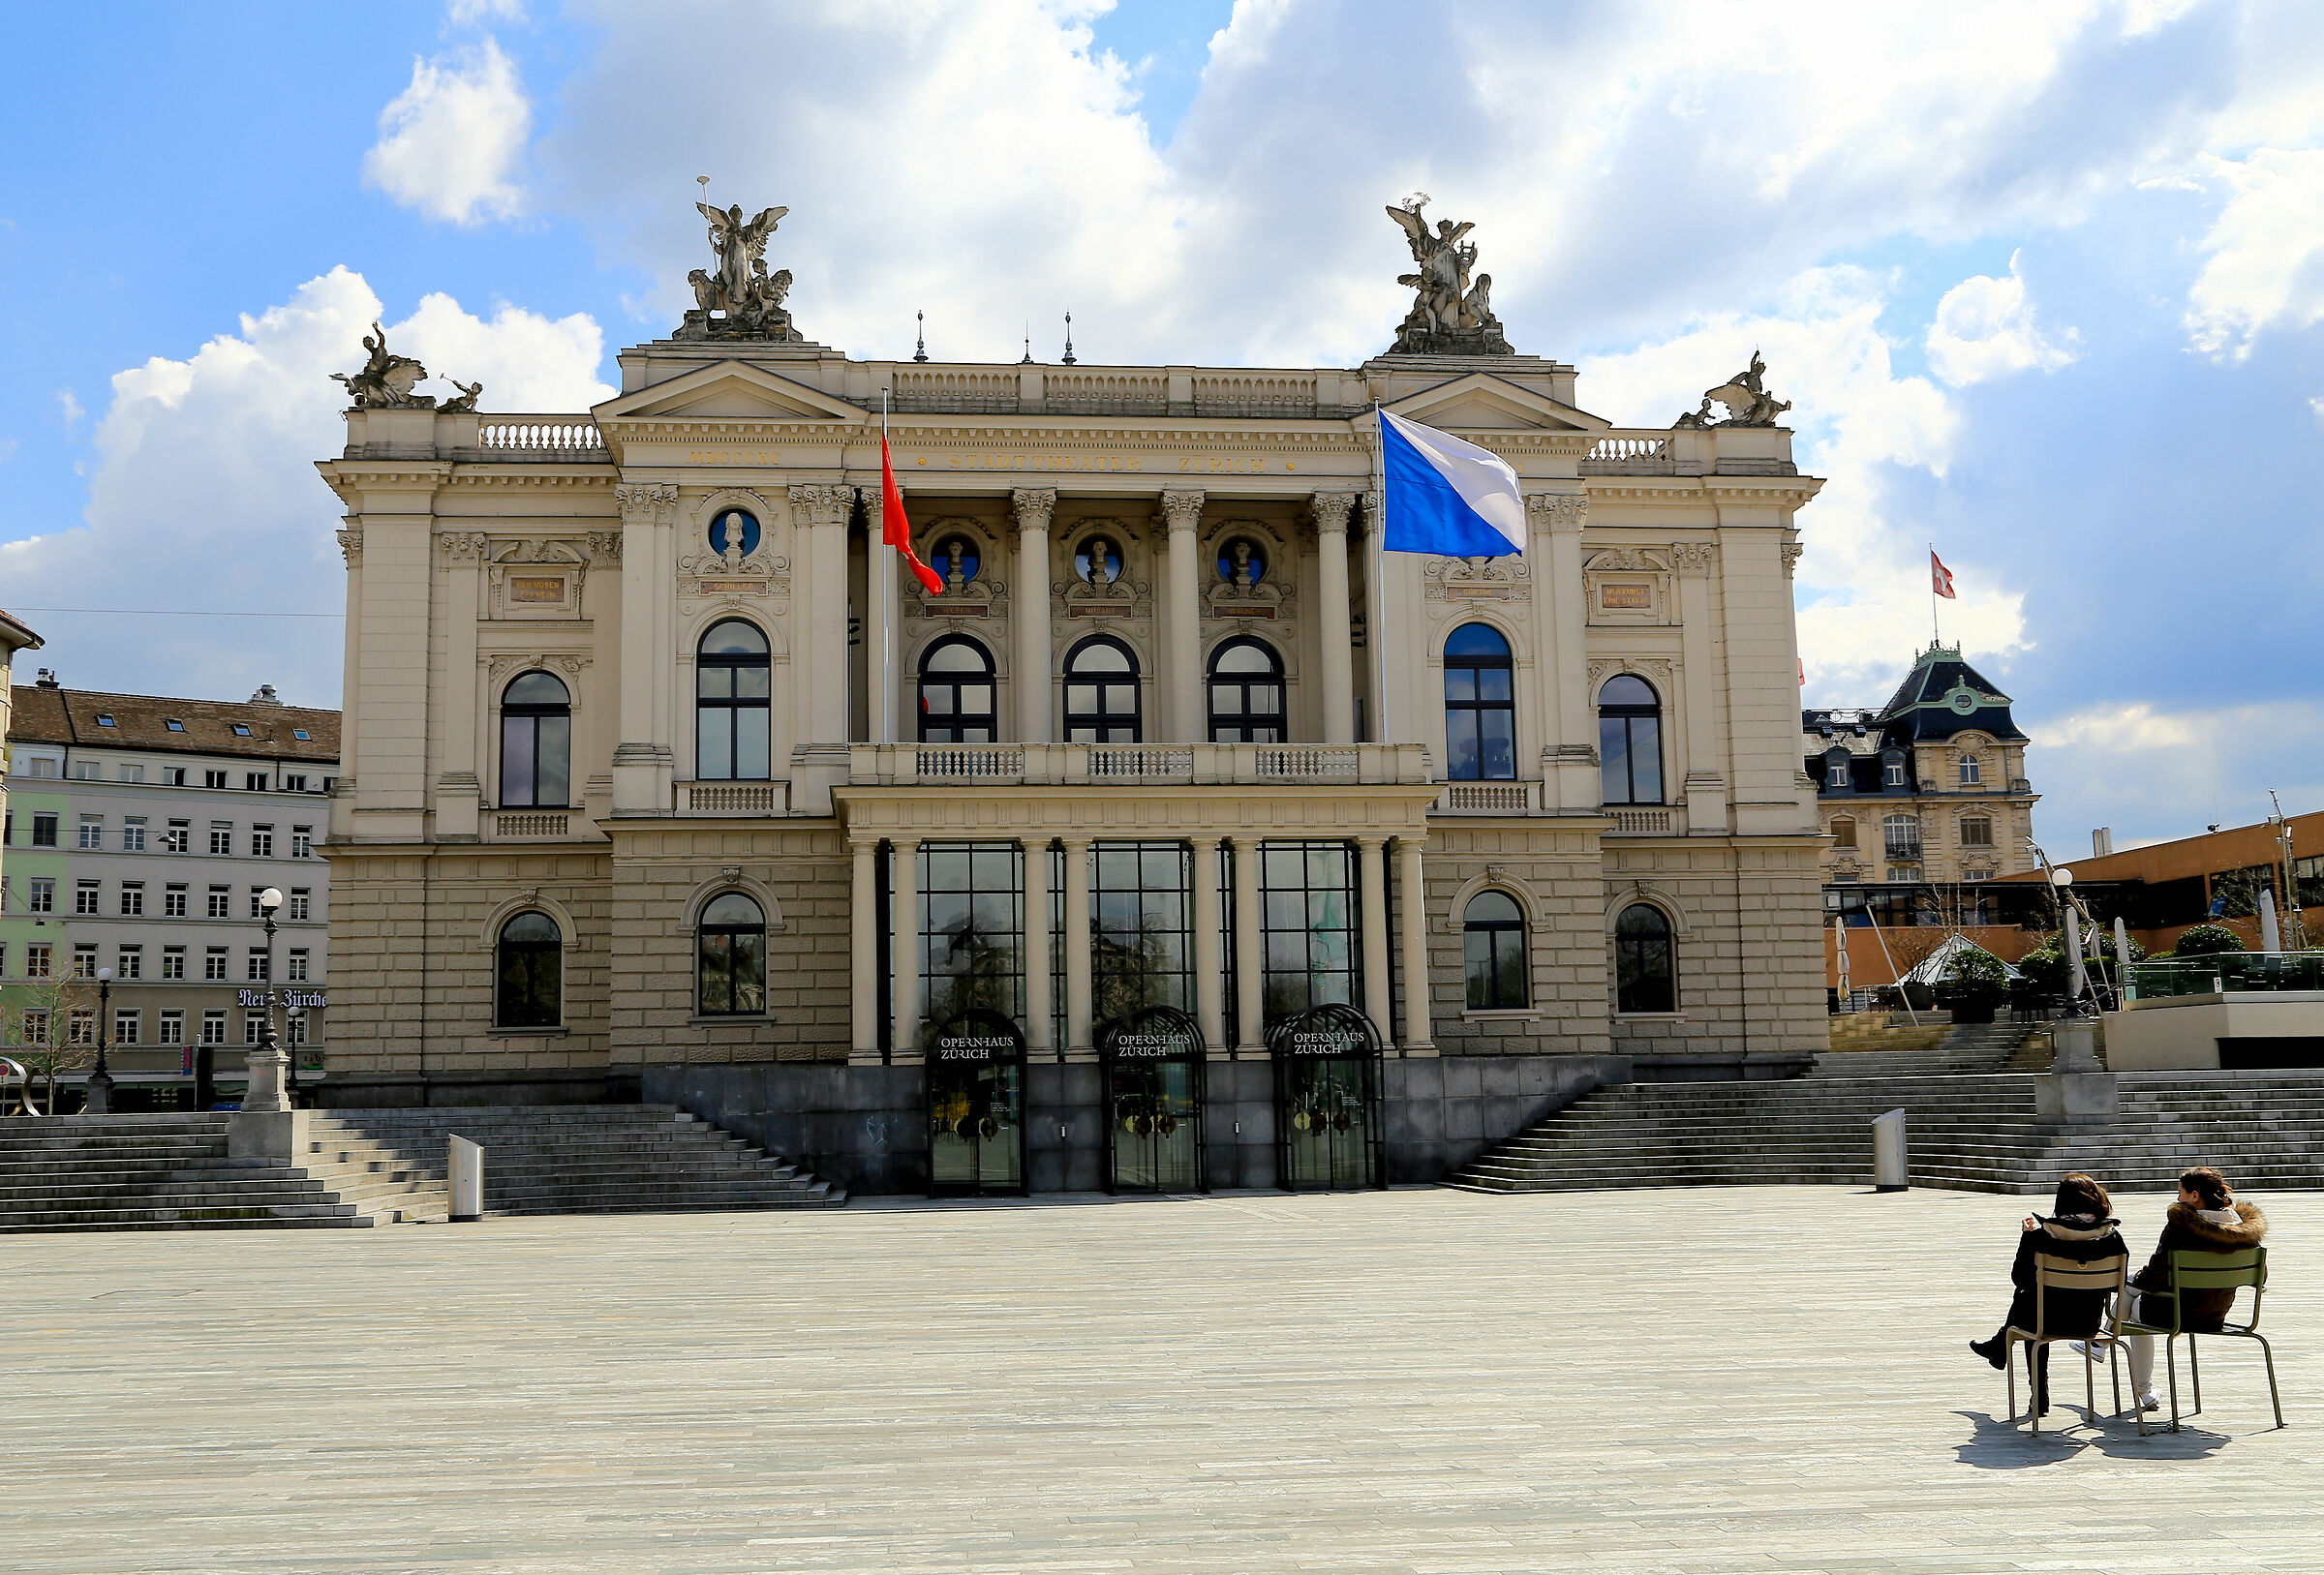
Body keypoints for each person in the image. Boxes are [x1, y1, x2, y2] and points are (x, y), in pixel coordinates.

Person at [2109, 1166, 2268, 1412]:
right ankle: (2123, 1367)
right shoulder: (2244, 1231)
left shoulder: (2180, 1228)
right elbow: (2261, 1278)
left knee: (2132, 1300)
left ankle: (2141, 1386)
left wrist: (2136, 1280)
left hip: (2173, 1314)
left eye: (2180, 1192)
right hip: (2214, 1315)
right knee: (2133, 1287)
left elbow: (2153, 1278)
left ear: (2195, 1196)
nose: (2178, 1198)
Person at [1969, 1173, 2126, 1414]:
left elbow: (2018, 1277)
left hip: (2046, 1321)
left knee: (2029, 1301)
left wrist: (2026, 1238)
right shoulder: (2112, 1238)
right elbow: (2118, 1285)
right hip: (2088, 1323)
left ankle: (2033, 1387)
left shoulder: (2043, 1236)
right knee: (2029, 1300)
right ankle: (1998, 1347)